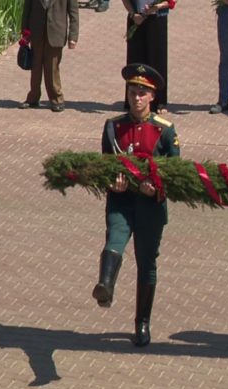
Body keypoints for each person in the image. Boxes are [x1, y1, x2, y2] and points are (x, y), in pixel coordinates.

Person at [92, 64, 180, 347]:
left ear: (152, 97)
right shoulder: (113, 127)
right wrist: (111, 181)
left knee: (147, 262)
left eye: (142, 93)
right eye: (133, 92)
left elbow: (176, 173)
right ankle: (105, 285)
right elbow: (104, 165)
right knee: (114, 241)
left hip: (150, 206)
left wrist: (155, 186)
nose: (137, 98)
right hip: (121, 200)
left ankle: (142, 322)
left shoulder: (165, 131)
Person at [20, 0, 79, 112]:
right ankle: (33, 98)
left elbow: (73, 13)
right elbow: (27, 9)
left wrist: (73, 36)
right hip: (37, 33)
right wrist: (25, 32)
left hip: (56, 33)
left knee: (52, 68)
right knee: (35, 67)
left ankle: (57, 99)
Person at [122, 0, 175, 113]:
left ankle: (160, 102)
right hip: (136, 19)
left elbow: (172, 2)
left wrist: (156, 7)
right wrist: (133, 14)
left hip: (156, 19)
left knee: (157, 59)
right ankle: (133, 100)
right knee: (135, 58)